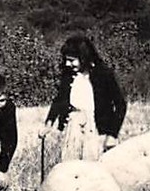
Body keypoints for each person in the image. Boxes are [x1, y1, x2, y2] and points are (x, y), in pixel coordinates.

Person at [42, 34, 127, 166]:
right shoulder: (68, 75)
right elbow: (59, 100)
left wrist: (112, 135)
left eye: (71, 60)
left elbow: (120, 104)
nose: (67, 64)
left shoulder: (104, 74)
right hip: (72, 127)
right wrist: (49, 123)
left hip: (97, 129)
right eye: (66, 60)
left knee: (94, 169)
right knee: (70, 168)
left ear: (84, 57)